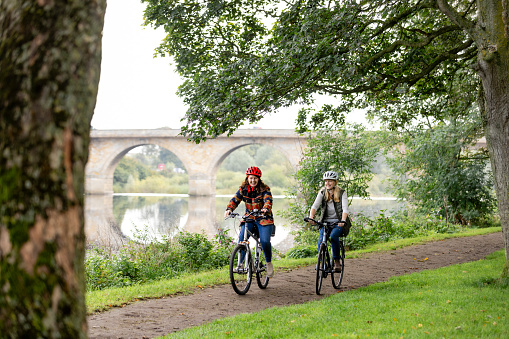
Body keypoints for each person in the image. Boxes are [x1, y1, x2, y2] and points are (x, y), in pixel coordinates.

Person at [224, 166, 275, 277]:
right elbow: (235, 200)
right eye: (251, 178)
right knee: (242, 239)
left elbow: (268, 200)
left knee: (265, 241)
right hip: (249, 218)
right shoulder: (243, 189)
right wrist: (229, 209)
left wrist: (265, 208)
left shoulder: (265, 189)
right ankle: (241, 264)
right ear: (247, 178)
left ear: (259, 179)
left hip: (264, 219)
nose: (253, 181)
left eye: (255, 178)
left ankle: (268, 263)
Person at [307, 170, 349, 273]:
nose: (328, 183)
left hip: (338, 222)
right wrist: (311, 217)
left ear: (335, 182)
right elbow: (315, 206)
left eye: (330, 181)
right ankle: (323, 262)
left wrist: (343, 220)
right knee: (321, 242)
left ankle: (337, 261)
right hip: (325, 222)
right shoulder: (322, 192)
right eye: (326, 181)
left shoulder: (342, 193)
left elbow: (345, 209)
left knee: (334, 236)